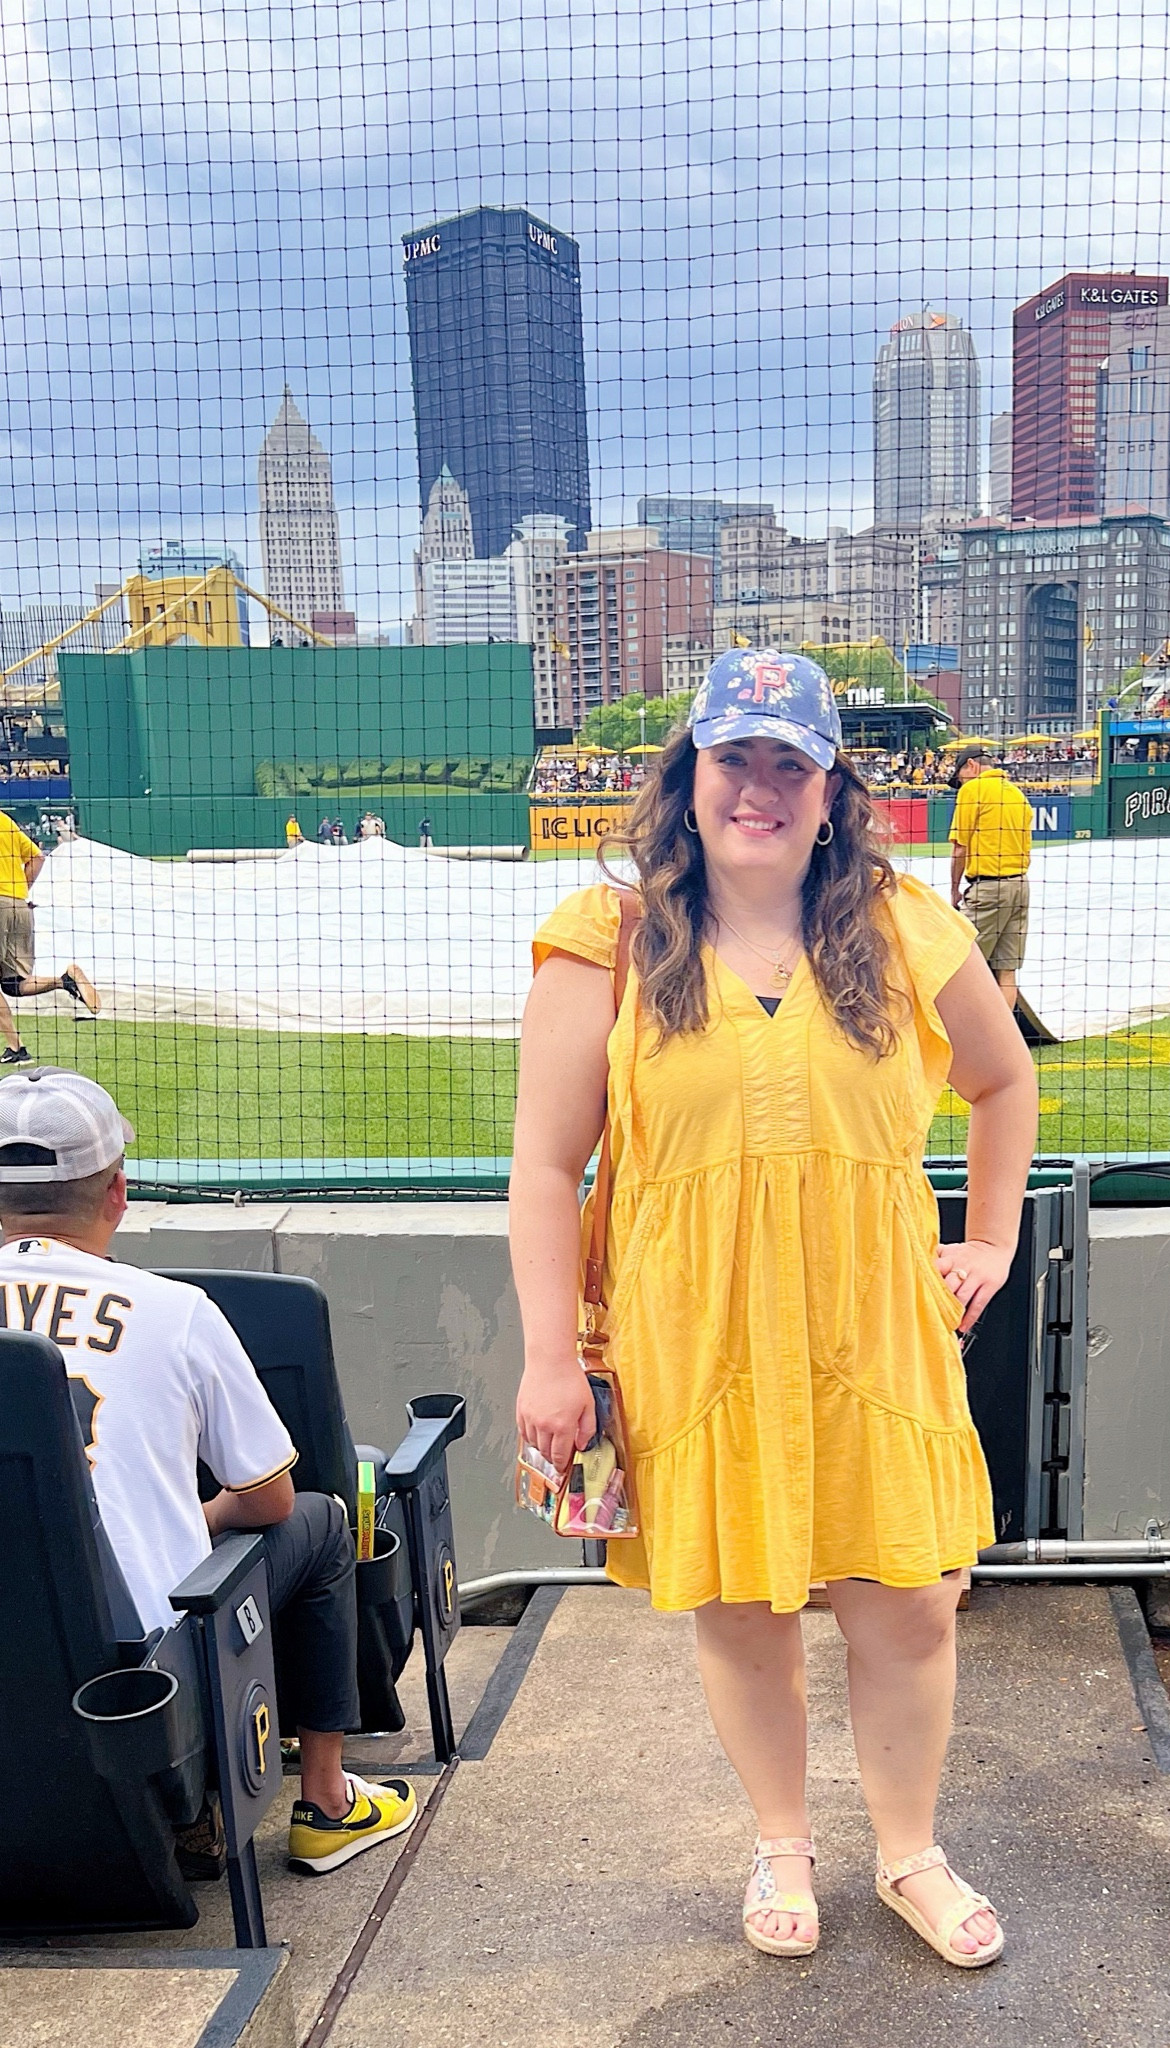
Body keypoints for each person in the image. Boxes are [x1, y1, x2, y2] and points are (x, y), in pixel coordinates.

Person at [513, 649, 1036, 1967]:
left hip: (874, 1333)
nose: (757, 787)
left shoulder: (906, 926)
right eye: (731, 757)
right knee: (741, 1608)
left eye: (786, 763)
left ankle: (908, 1852)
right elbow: (541, 1164)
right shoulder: (608, 942)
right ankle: (781, 1844)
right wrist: (544, 1359)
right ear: (687, 777)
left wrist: (987, 1240)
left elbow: (1003, 1078)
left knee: (906, 1603)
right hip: (698, 1337)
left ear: (827, 790)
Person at [0, 1067, 415, 1877]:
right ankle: (327, 1803)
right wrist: (204, 1516)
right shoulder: (174, 1311)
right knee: (325, 1520)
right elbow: (268, 1498)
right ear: (117, 1191)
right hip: (143, 1686)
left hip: (24, 1661)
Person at [0, 806, 98, 1069]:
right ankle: (63, 980)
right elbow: (37, 858)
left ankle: (16, 1048)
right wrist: (17, 893)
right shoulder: (4, 820)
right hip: (19, 906)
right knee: (12, 984)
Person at [947, 745, 1033, 1016]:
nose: (960, 783)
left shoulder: (973, 790)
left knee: (958, 962)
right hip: (1020, 885)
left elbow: (960, 848)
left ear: (970, 766)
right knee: (1006, 971)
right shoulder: (1016, 793)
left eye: (960, 776)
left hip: (989, 888)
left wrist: (954, 891)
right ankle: (1006, 1040)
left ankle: (964, 1037)